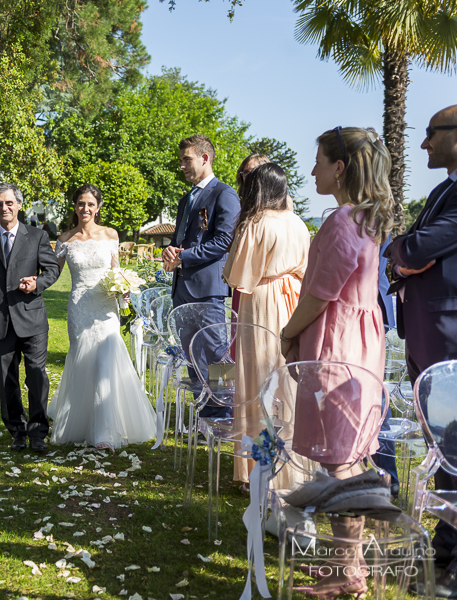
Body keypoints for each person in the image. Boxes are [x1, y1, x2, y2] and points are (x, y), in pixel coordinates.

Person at [280, 127, 394, 598]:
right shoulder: (366, 220)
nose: (312, 171)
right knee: (346, 458)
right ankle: (342, 565)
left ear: (339, 168)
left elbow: (320, 294)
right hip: (359, 345)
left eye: (319, 161)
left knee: (341, 466)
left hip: (338, 348)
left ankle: (349, 578)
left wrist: (288, 333)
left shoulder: (342, 221)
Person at [386, 104, 457, 597]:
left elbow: (413, 249)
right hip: (428, 332)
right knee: (443, 447)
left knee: (454, 446)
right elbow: (409, 249)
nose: (424, 143)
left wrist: (403, 251)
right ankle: (446, 548)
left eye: (432, 133)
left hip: (449, 335)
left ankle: (450, 560)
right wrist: (405, 251)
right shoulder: (442, 189)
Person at [47, 184, 158, 451]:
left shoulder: (110, 234)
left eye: (90, 204)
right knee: (83, 361)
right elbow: (51, 272)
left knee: (106, 361)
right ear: (74, 206)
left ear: (98, 207)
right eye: (81, 204)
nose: (85, 209)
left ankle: (105, 431)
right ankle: (81, 422)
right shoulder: (65, 239)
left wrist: (124, 289)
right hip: (79, 308)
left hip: (106, 306)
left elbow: (115, 269)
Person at [222, 163, 310, 489]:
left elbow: (237, 275)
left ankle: (258, 467)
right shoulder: (299, 223)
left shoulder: (257, 223)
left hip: (261, 301)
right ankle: (291, 465)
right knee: (287, 382)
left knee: (256, 381)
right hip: (293, 300)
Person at [0, 182, 60, 452]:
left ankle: (38, 432)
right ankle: (17, 431)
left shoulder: (36, 236)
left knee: (36, 375)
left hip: (31, 318)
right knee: (6, 378)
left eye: (9, 203)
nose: (4, 208)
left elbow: (52, 270)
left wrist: (38, 284)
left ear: (19, 205)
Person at [161, 135, 240, 422]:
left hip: (209, 292)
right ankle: (205, 416)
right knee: (193, 358)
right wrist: (171, 253)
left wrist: (184, 256)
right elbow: (181, 239)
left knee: (218, 358)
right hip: (182, 290)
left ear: (205, 158)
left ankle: (223, 414)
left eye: (187, 159)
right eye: (181, 160)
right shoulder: (187, 198)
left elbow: (223, 241)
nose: (182, 165)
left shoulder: (225, 194)